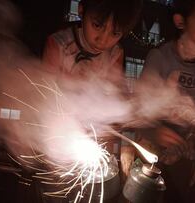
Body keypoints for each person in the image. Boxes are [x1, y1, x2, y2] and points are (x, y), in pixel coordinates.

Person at [41, 0, 143, 202]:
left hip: (91, 146)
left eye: (115, 33)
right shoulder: (59, 44)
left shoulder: (115, 53)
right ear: (81, 10)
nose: (103, 40)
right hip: (57, 144)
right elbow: (46, 99)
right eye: (98, 26)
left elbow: (112, 99)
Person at [138, 0, 195, 202]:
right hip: (149, 155)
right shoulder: (159, 58)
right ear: (181, 22)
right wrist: (154, 131)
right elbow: (138, 111)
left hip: (185, 157)